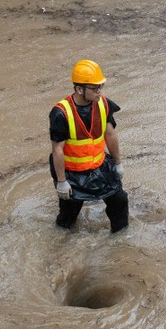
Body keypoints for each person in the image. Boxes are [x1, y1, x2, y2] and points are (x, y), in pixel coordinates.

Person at [49, 59, 129, 233]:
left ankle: (121, 240)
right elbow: (57, 150)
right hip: (72, 174)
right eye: (95, 88)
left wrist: (117, 162)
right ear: (79, 89)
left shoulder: (104, 104)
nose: (100, 91)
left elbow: (110, 134)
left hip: (99, 167)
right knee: (67, 217)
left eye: (101, 86)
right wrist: (62, 181)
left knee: (119, 201)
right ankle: (60, 244)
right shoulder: (61, 114)